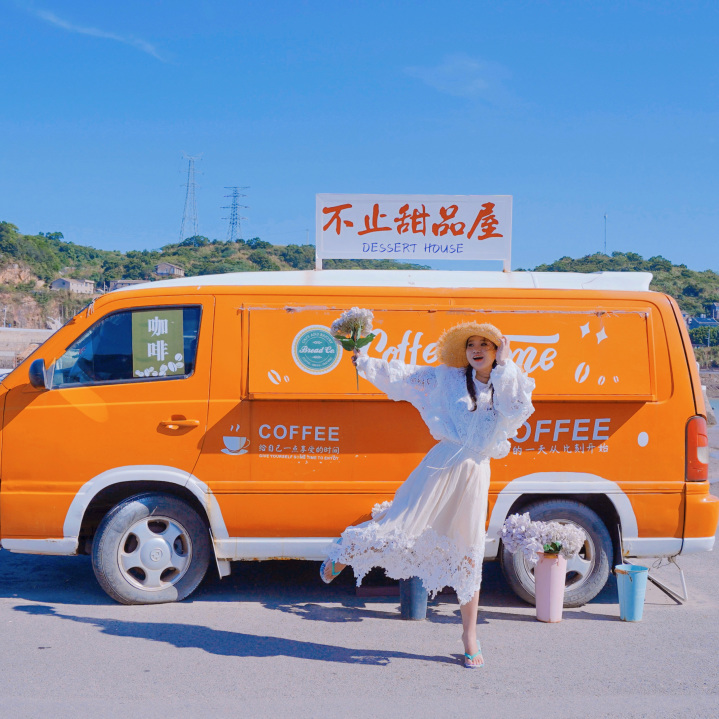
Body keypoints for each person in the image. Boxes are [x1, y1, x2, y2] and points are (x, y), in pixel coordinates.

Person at [319, 321, 535, 668]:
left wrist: (506, 365)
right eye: (471, 345)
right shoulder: (448, 378)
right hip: (440, 465)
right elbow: (404, 377)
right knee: (399, 527)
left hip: (475, 474)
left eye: (485, 344)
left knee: (469, 555)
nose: (476, 350)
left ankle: (469, 637)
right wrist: (365, 361)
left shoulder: (509, 381)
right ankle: (344, 554)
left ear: (498, 350)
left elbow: (516, 408)